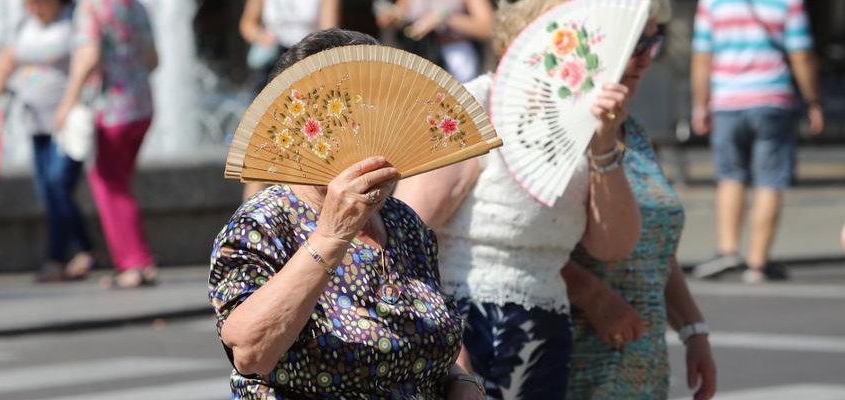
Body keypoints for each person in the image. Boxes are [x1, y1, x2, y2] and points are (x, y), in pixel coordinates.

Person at [208, 28, 484, 399]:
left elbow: (425, 338)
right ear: (310, 127)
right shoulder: (264, 222)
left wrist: (463, 381)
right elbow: (251, 353)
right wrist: (332, 236)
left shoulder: (403, 223)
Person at [395, 0, 645, 397]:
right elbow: (401, 240)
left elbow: (613, 245)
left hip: (546, 327)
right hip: (466, 323)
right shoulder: (473, 109)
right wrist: (453, 358)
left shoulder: (583, 123)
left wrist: (602, 145)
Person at [566, 2, 717, 399]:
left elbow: (655, 247)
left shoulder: (633, 130)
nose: (642, 60)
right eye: (629, 43)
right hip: (578, 366)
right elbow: (518, 248)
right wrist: (591, 293)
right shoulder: (558, 133)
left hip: (643, 364)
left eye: (650, 43)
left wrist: (693, 329)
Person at [691, 0, 824, 283]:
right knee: (770, 179)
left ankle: (727, 251)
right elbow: (801, 55)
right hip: (772, 97)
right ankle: (758, 262)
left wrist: (700, 105)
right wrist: (813, 101)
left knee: (730, 176)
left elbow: (702, 56)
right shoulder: (789, 2)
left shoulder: (711, 2)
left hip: (726, 99)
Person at [0, 0, 95, 282]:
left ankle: (55, 260)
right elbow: (9, 56)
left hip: (67, 122)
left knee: (58, 184)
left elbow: (87, 61)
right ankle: (84, 249)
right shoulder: (25, 23)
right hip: (35, 122)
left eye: (37, 2)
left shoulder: (74, 19)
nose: (31, 7)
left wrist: (69, 105)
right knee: (49, 190)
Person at [55, 0, 159, 289]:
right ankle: (139, 262)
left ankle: (135, 264)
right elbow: (154, 60)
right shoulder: (136, 7)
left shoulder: (92, 8)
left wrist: (68, 102)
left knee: (109, 186)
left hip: (112, 110)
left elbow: (88, 57)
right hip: (142, 106)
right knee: (121, 184)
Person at [238, 0, 340, 201]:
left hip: (307, 67)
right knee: (261, 147)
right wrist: (261, 36)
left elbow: (330, 31)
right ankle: (250, 219)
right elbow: (247, 24)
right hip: (273, 66)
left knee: (308, 146)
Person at [377, 0, 493, 82]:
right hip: (420, 58)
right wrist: (392, 17)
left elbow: (487, 29)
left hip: (455, 59)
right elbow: (399, 15)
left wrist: (444, 18)